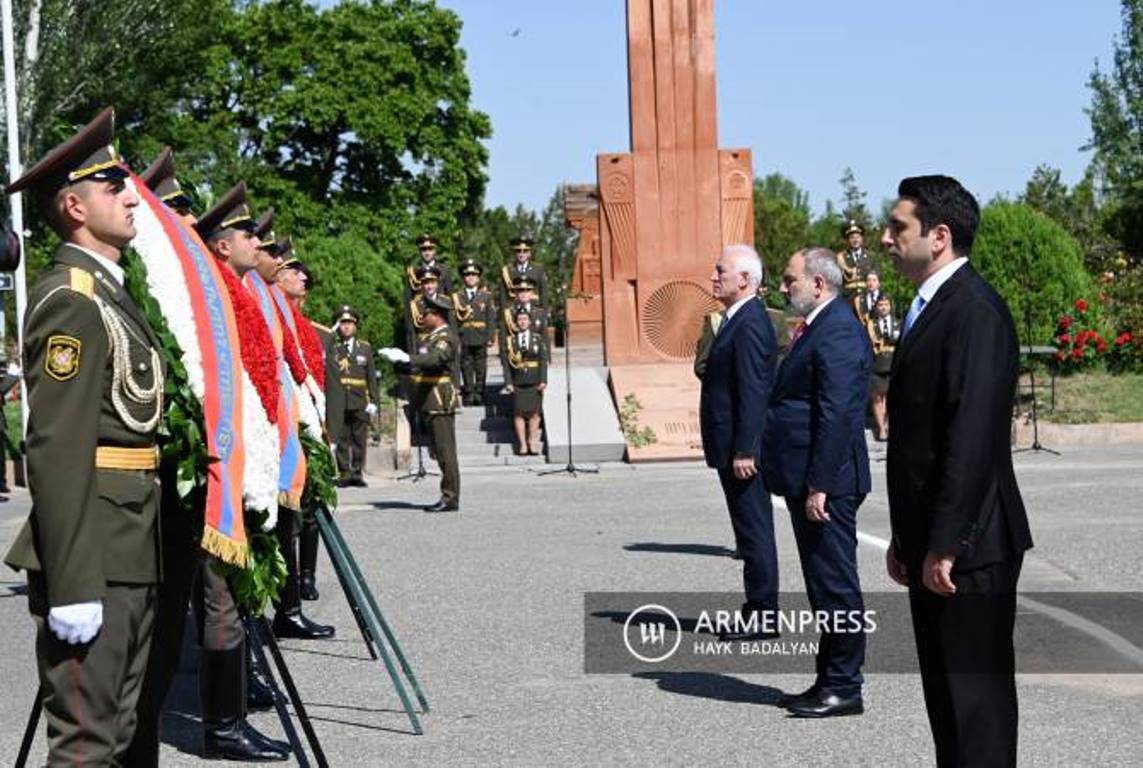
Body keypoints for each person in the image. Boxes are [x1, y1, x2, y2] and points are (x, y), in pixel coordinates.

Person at [3, 108, 167, 765]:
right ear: (73, 205)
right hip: (94, 556)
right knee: (84, 744)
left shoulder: (110, 291)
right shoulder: (71, 298)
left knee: (115, 734)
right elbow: (57, 449)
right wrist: (71, 584)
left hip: (128, 543)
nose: (131, 197)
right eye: (114, 187)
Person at [882, 175, 1033, 767]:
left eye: (899, 227)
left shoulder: (975, 312)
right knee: (947, 702)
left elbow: (969, 439)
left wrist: (944, 544)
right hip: (935, 546)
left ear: (938, 236)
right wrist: (908, 538)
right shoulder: (931, 306)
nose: (886, 238)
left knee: (978, 706)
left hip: (970, 547)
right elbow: (922, 439)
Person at [196, 183, 296, 760]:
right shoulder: (214, 296)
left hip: (242, 460)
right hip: (217, 467)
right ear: (223, 242)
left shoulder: (235, 293)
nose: (259, 243)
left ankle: (233, 707)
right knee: (220, 601)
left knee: (233, 598)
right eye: (250, 234)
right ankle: (221, 725)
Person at [763, 247, 872, 718]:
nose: (784, 288)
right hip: (810, 477)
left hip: (828, 481)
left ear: (819, 284)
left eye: (791, 280)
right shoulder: (819, 325)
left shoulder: (839, 331)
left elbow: (839, 414)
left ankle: (845, 686)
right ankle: (828, 678)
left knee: (835, 585)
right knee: (822, 585)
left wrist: (820, 484)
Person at [698, 244, 779, 639]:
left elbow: (754, 390)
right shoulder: (736, 318)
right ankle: (758, 608)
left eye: (721, 271)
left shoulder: (749, 322)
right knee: (748, 529)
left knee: (754, 530)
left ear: (744, 279)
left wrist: (746, 448)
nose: (713, 277)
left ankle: (762, 614)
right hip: (731, 445)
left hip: (741, 451)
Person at [380, 294, 460, 512]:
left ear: (437, 315)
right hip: (427, 399)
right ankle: (448, 495)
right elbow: (425, 364)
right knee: (437, 449)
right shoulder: (431, 338)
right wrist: (405, 366)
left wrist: (408, 359)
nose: (423, 317)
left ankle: (450, 497)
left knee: (445, 451)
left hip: (438, 398)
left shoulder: (445, 337)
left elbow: (435, 359)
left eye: (427, 314)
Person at [332, 305, 379, 486]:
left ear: (355, 325)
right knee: (342, 437)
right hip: (340, 399)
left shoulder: (364, 348)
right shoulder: (334, 348)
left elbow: (371, 377)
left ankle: (357, 472)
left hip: (359, 400)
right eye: (343, 323)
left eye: (350, 323)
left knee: (359, 438)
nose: (346, 327)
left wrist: (374, 400)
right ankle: (344, 472)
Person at [453, 258, 496, 405]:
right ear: (464, 278)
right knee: (466, 365)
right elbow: (455, 319)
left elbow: (491, 317)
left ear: (478, 278)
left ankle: (480, 393)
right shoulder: (458, 297)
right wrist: (455, 337)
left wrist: (491, 336)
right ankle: (469, 393)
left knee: (480, 365)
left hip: (480, 335)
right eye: (467, 275)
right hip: (465, 335)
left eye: (473, 275)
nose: (470, 278)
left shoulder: (486, 296)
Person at [503, 308, 547, 455]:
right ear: (516, 323)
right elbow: (507, 364)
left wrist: (543, 380)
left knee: (535, 414)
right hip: (518, 381)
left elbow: (543, 360)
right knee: (519, 414)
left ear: (529, 321)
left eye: (525, 319)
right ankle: (522, 444)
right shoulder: (511, 341)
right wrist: (508, 382)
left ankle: (532, 442)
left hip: (534, 380)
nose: (522, 322)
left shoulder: (537, 338)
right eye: (520, 319)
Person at [866, 296, 899, 441]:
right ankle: (881, 429)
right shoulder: (870, 325)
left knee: (892, 397)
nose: (884, 307)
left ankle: (888, 424)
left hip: (893, 363)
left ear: (890, 306)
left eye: (886, 304)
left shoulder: (898, 322)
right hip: (876, 364)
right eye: (881, 305)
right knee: (877, 398)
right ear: (876, 307)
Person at [498, 235, 547, 308]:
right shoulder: (507, 271)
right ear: (514, 252)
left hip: (534, 311)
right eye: (518, 251)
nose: (522, 254)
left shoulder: (538, 270)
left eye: (525, 251)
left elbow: (544, 294)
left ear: (529, 253)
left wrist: (543, 314)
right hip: (513, 311)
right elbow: (503, 297)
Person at [837, 219, 874, 298]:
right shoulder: (841, 257)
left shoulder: (870, 257)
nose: (855, 240)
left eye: (858, 237)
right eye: (852, 237)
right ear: (847, 240)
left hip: (867, 297)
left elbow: (877, 276)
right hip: (847, 298)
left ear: (862, 239)